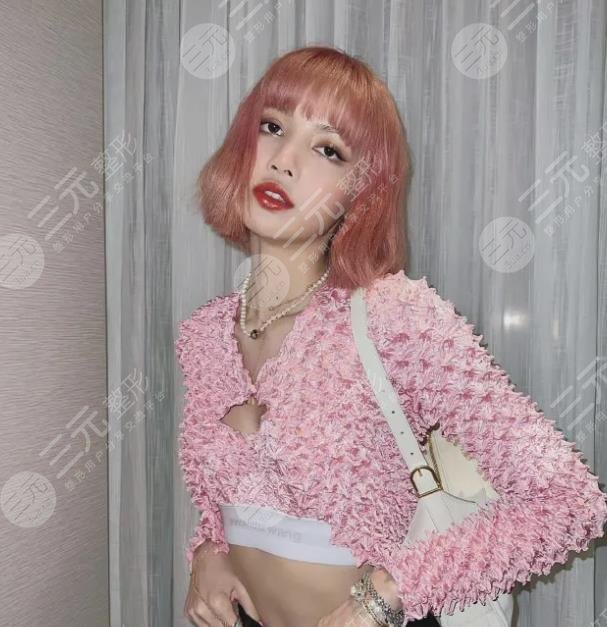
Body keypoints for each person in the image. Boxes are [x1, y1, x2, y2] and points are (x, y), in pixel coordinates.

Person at [176, 45, 607, 627]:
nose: (283, 161)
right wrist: (207, 552)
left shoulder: (395, 316)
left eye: (328, 149)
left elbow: (569, 503)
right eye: (272, 126)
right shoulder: (205, 333)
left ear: (360, 192)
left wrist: (383, 596)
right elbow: (233, 493)